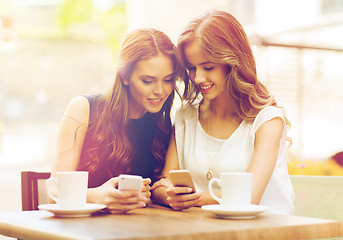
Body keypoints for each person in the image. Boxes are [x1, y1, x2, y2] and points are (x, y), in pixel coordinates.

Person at [151, 10, 294, 214]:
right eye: (191, 68)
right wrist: (169, 195)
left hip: (266, 233)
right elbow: (161, 183)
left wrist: (193, 200)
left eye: (208, 67)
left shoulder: (267, 121)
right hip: (206, 231)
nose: (198, 78)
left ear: (233, 63)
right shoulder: (186, 117)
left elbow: (248, 198)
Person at [48, 28, 182, 214]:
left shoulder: (164, 124)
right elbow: (54, 193)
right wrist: (97, 197)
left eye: (168, 80)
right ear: (125, 76)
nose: (160, 91)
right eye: (147, 81)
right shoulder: (83, 109)